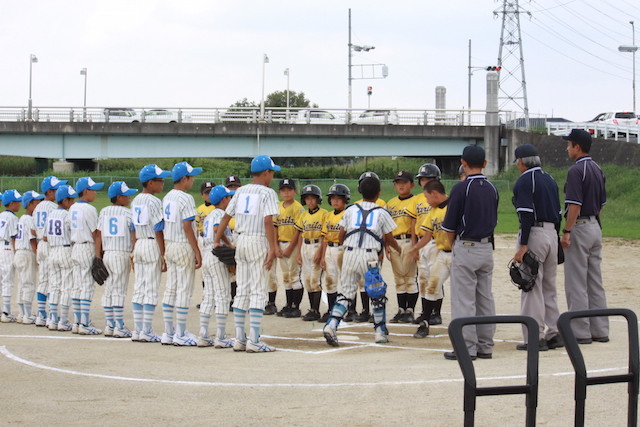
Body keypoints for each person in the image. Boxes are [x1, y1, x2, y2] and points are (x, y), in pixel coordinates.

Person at [322, 174, 400, 346]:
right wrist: (399, 249)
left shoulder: (350, 209)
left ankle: (332, 325)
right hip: (370, 255)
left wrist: (349, 247)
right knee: (377, 293)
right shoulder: (382, 212)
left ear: (360, 192)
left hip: (349, 253)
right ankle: (379, 332)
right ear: (378, 193)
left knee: (346, 292)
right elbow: (389, 238)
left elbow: (341, 235)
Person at [214, 155, 280, 353]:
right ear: (266, 172)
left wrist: (217, 239)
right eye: (272, 171)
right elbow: (268, 221)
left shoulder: (240, 191)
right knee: (259, 289)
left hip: (240, 241)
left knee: (242, 290)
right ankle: (254, 340)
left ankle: (240, 339)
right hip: (257, 240)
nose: (272, 175)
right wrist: (272, 247)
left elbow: (226, 217)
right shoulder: (267, 192)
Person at [441, 145, 498, 360]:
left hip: (466, 246)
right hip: (486, 247)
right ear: (485, 163)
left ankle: (466, 348)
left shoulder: (460, 188)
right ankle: (485, 345)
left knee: (464, 299)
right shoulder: (492, 188)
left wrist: (455, 247)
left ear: (463, 163)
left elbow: (449, 227)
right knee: (485, 298)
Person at [512, 144, 563, 351]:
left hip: (534, 234)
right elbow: (558, 214)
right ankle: (554, 334)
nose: (517, 165)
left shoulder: (525, 180)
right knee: (549, 287)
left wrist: (523, 245)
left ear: (522, 162)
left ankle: (535, 338)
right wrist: (557, 241)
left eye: (517, 161)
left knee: (530, 286)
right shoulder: (549, 179)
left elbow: (526, 215)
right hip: (551, 234)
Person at [561, 129, 608, 344]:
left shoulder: (576, 171)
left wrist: (568, 231)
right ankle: (600, 329)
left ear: (577, 147)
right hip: (595, 226)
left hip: (579, 225)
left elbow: (574, 206)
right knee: (594, 280)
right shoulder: (598, 168)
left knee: (576, 281)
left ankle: (580, 331)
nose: (567, 148)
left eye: (569, 144)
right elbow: (600, 206)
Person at [161, 161, 203, 346]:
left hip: (170, 244)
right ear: (184, 179)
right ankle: (180, 333)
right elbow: (187, 227)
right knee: (184, 290)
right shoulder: (186, 198)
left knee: (171, 289)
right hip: (182, 244)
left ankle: (169, 332)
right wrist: (196, 250)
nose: (193, 180)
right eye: (191, 177)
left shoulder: (167, 196)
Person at [130, 164, 172, 342]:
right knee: (151, 288)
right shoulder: (154, 201)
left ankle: (138, 330)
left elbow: (132, 227)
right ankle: (147, 330)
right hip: (151, 244)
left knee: (139, 287)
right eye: (160, 180)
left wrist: (133, 248)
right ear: (150, 182)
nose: (163, 184)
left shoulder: (135, 200)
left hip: (139, 243)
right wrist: (163, 253)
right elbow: (158, 228)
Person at [407, 180, 451, 339]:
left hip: (458, 254)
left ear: (434, 194)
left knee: (462, 289)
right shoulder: (433, 211)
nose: (426, 201)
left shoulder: (453, 205)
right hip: (442, 253)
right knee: (432, 286)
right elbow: (427, 236)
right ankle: (424, 322)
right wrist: (415, 248)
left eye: (427, 197)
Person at [198, 185, 235, 348]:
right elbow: (216, 229)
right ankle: (221, 336)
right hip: (216, 254)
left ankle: (204, 335)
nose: (230, 200)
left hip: (207, 255)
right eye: (229, 198)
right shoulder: (221, 214)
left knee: (209, 296)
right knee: (222, 295)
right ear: (223, 200)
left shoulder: (210, 214)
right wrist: (229, 244)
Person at [347, 171, 386, 321]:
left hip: (374, 248)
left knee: (373, 280)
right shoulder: (357, 205)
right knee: (361, 281)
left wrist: (382, 250)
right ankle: (364, 310)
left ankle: (373, 311)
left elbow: (383, 231)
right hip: (360, 248)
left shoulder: (381, 204)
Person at [69, 177, 104, 335]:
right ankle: (84, 323)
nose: (95, 193)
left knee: (77, 285)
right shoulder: (88, 209)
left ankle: (77, 322)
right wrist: (98, 256)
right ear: (86, 191)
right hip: (87, 247)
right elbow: (96, 234)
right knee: (86, 286)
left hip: (76, 247)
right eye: (93, 189)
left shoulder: (73, 207)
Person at [32, 176, 67, 327]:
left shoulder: (38, 207)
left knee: (43, 280)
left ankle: (41, 315)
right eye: (56, 188)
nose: (59, 191)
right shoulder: (53, 208)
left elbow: (33, 229)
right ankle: (53, 315)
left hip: (40, 244)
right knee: (53, 281)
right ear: (49, 191)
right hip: (50, 245)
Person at [292, 184, 328, 321]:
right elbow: (301, 234)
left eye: (313, 198)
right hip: (305, 247)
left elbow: (324, 235)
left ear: (318, 199)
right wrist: (299, 253)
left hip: (317, 244)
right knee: (306, 280)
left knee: (315, 280)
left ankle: (316, 310)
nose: (310, 201)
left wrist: (320, 252)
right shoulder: (304, 215)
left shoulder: (324, 214)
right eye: (307, 199)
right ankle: (312, 309)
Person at [386, 171, 419, 323]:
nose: (401, 185)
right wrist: (387, 244)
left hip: (408, 242)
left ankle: (410, 310)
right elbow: (386, 227)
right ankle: (401, 309)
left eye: (404, 182)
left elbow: (416, 224)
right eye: (398, 182)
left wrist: (415, 245)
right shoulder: (391, 203)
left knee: (410, 277)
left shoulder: (416, 201)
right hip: (394, 242)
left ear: (412, 184)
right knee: (399, 278)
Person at [413, 163, 442, 325]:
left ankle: (436, 313)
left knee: (436, 277)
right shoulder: (417, 200)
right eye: (423, 179)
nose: (425, 182)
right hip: (421, 240)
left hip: (436, 242)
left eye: (429, 179)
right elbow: (413, 222)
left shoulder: (440, 198)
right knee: (422, 278)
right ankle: (425, 312)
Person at [271, 178, 304, 317]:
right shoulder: (277, 207)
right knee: (286, 277)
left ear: (294, 191)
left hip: (294, 245)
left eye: (289, 190)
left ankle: (296, 307)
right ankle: (288, 305)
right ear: (279, 192)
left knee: (294, 276)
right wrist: (275, 246)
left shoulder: (298, 208)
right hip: (281, 244)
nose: (286, 193)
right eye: (283, 190)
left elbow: (299, 230)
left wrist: (291, 247)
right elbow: (274, 228)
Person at [45, 185, 77, 331]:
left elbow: (45, 237)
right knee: (66, 287)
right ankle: (63, 320)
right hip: (65, 250)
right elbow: (74, 234)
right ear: (65, 201)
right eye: (71, 200)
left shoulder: (50, 214)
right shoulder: (67, 215)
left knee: (54, 286)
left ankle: (53, 319)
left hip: (52, 251)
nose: (73, 202)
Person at [319, 183, 350, 322]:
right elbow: (325, 237)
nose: (335, 201)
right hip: (329, 249)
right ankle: (331, 309)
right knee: (330, 281)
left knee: (345, 280)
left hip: (342, 249)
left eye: (339, 198)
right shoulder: (328, 215)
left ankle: (346, 309)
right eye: (333, 198)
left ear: (345, 200)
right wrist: (322, 256)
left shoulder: (347, 214)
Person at [13, 190, 43, 324]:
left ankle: (21, 312)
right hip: (27, 252)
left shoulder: (21, 218)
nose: (39, 205)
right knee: (29, 284)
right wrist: (38, 255)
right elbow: (32, 238)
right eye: (37, 203)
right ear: (30, 204)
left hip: (19, 252)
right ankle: (27, 314)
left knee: (22, 283)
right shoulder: (30, 219)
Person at [0, 190, 22, 322]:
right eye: (18, 202)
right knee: (7, 280)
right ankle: (6, 312)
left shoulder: (1, 215)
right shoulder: (13, 218)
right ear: (12, 203)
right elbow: (14, 238)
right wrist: (17, 252)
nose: (20, 204)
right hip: (7, 248)